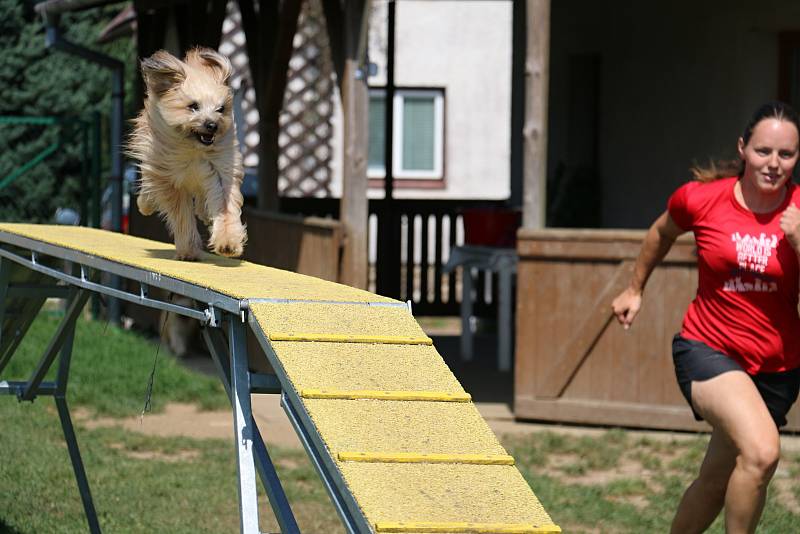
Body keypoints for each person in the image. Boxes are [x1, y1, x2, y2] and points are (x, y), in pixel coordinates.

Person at [611, 101, 800, 534]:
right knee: (762, 452)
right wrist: (634, 288)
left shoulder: (799, 212)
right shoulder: (702, 199)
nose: (773, 164)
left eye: (785, 155)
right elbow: (662, 231)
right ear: (743, 149)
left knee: (718, 480)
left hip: (778, 366)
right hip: (708, 349)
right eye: (763, 151)